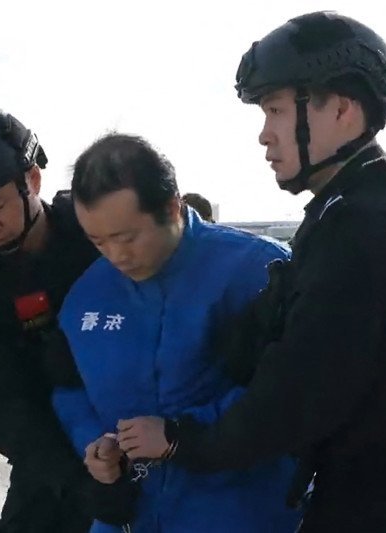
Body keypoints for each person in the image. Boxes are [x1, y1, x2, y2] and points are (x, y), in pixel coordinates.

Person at [117, 11, 386, 532]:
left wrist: (178, 440)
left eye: (276, 111)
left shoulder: (360, 228)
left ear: (342, 110)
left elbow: (297, 395)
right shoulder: (382, 199)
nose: (265, 136)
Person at [51, 133, 300, 532]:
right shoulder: (86, 295)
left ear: (172, 207)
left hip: (235, 508)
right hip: (132, 512)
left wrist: (183, 436)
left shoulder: (257, 272)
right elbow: (68, 387)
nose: (117, 256)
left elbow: (293, 388)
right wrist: (94, 443)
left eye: (127, 238)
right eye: (99, 242)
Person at [0, 108, 136, 532]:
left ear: (33, 180)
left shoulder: (99, 237)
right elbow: (0, 404)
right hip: (52, 459)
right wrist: (77, 480)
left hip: (148, 434)